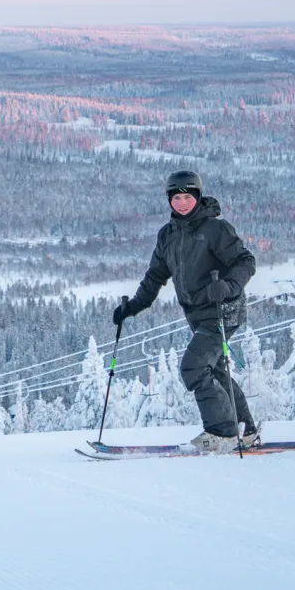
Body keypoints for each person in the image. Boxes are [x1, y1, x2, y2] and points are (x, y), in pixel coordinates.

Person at [112, 170, 261, 452]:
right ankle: (246, 430)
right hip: (196, 314)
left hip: (222, 310)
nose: (182, 203)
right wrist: (132, 307)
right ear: (169, 199)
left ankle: (223, 433)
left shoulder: (216, 229)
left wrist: (228, 286)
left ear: (198, 197)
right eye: (176, 197)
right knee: (214, 371)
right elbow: (155, 276)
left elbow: (245, 261)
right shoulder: (168, 235)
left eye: (187, 197)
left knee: (193, 368)